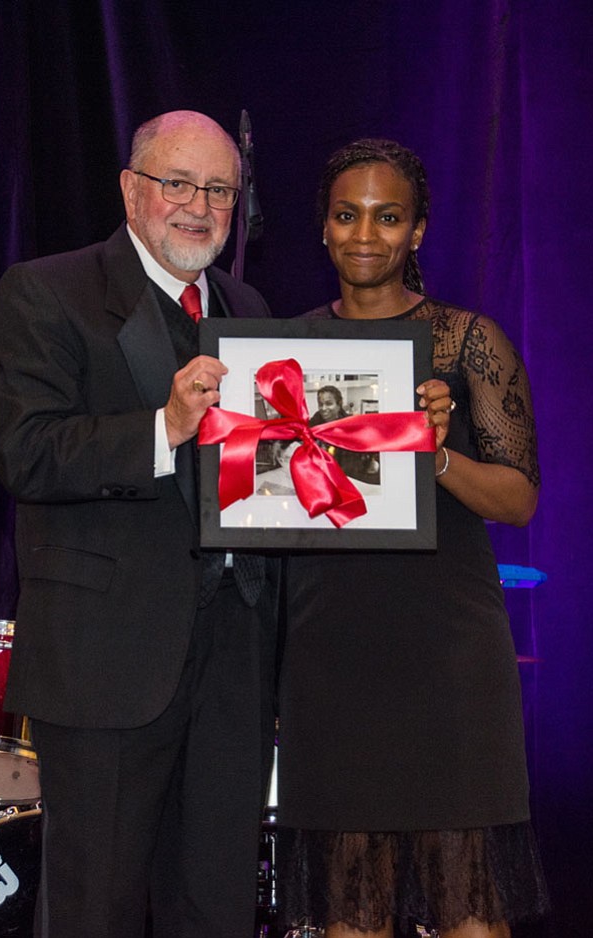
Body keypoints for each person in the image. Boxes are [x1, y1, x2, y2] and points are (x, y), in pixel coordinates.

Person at [0, 110, 279, 938]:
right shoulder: (48, 289)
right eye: (176, 182)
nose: (199, 205)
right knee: (94, 911)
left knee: (217, 906)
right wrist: (163, 429)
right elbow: (25, 451)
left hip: (231, 664)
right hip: (106, 661)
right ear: (130, 188)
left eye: (220, 188)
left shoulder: (248, 303)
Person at [276, 139, 549, 938]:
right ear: (322, 229)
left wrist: (435, 456)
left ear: (418, 231)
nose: (366, 234)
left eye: (388, 217)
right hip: (330, 655)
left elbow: (520, 499)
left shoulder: (469, 341)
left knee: (470, 911)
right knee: (348, 912)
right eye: (347, 214)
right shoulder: (281, 349)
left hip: (449, 659)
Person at [310, 385, 380, 485]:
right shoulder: (316, 421)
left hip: (350, 476)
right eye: (320, 404)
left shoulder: (350, 425)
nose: (323, 408)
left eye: (329, 404)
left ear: (339, 404)